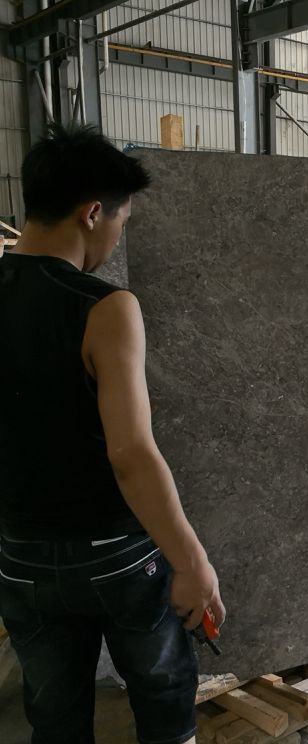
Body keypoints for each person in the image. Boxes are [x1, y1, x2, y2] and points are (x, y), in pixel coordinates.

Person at [0, 124, 225, 744]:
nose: (117, 237)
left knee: (54, 715)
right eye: (121, 221)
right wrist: (193, 563)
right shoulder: (105, 307)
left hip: (20, 555)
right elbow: (130, 454)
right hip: (114, 556)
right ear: (92, 212)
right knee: (163, 695)